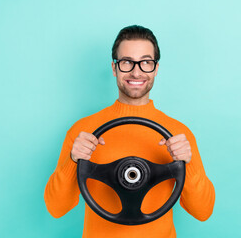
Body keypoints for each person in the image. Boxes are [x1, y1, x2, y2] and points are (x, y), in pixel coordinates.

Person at [44, 25, 215, 238]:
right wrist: (73, 159)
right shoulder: (83, 132)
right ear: (114, 68)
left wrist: (187, 165)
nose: (136, 72)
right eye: (126, 62)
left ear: (156, 68)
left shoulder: (178, 134)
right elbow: (55, 208)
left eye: (146, 62)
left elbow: (203, 211)